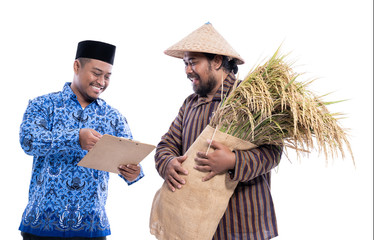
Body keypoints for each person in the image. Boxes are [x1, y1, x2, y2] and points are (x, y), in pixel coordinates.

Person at [154, 23, 282, 239]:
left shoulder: (251, 98)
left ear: (216, 61)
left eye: (193, 62)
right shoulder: (190, 104)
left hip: (243, 224)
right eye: (185, 63)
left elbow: (273, 152)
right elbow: (166, 145)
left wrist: (233, 161)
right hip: (196, 224)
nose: (187, 70)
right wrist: (167, 164)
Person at [19, 40, 144, 239]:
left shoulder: (113, 117)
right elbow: (29, 141)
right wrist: (75, 138)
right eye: (96, 73)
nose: (101, 82)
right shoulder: (43, 105)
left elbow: (130, 159)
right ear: (77, 66)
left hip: (92, 226)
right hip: (41, 224)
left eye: (107, 76)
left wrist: (133, 173)